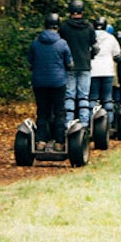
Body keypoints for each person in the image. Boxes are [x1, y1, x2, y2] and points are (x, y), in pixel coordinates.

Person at [28, 12, 73, 150]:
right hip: (58, 82)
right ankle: (59, 142)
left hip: (39, 83)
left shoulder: (35, 43)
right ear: (57, 27)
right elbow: (69, 64)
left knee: (42, 112)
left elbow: (30, 62)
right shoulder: (62, 43)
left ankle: (41, 141)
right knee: (59, 112)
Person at [58, 0, 97, 127]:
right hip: (85, 65)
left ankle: (68, 123)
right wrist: (90, 56)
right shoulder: (89, 27)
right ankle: (85, 123)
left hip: (69, 65)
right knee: (84, 96)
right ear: (82, 12)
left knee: (69, 95)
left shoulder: (64, 27)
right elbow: (95, 46)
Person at [89, 16, 121, 122]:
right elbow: (117, 54)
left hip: (93, 71)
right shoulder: (111, 38)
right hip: (107, 70)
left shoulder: (89, 37)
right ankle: (109, 123)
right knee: (107, 98)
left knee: (93, 98)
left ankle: (90, 123)